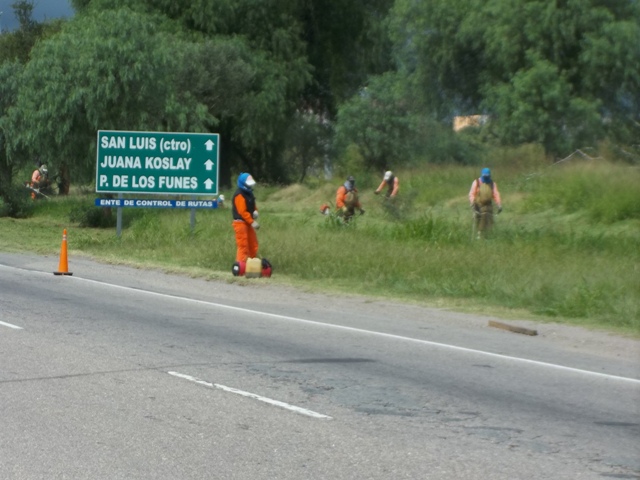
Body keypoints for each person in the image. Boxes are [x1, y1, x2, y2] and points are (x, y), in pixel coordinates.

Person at [232, 173, 260, 263]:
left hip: (248, 222)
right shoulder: (239, 194)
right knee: (243, 245)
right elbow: (242, 212)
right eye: (248, 183)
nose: (250, 185)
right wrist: (252, 222)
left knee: (253, 244)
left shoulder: (250, 193)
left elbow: (252, 205)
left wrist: (255, 211)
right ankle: (241, 265)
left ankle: (252, 264)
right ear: (243, 183)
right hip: (240, 223)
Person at [469, 167, 502, 239]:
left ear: (490, 176)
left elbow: (496, 194)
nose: (486, 178)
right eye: (485, 176)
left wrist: (499, 204)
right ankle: (479, 236)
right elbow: (472, 194)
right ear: (482, 175)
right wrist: (472, 204)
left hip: (488, 206)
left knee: (489, 222)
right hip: (478, 205)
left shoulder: (492, 183)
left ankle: (487, 237)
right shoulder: (476, 182)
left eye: (488, 176)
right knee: (479, 221)